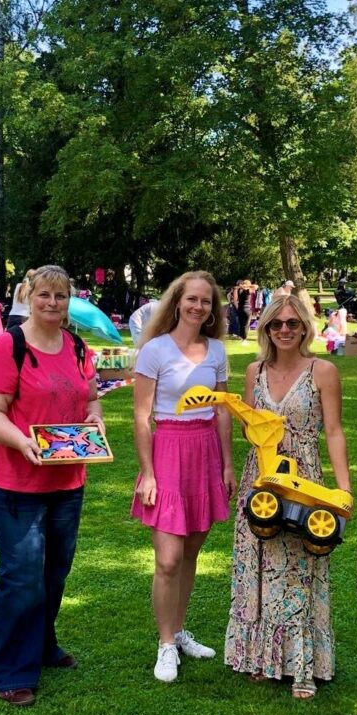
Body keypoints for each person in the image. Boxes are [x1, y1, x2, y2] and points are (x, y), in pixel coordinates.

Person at [0, 264, 101, 708]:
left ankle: (43, 645)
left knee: (54, 571)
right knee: (21, 576)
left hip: (67, 479)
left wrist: (95, 421)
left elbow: (89, 399)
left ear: (70, 302)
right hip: (15, 482)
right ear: (29, 296)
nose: (52, 303)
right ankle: (13, 671)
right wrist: (20, 440)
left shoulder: (78, 346)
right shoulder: (7, 347)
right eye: (44, 295)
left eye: (60, 296)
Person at [224, 294, 350, 699]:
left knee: (298, 567)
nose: (284, 331)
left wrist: (343, 488)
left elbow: (333, 431)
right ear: (265, 328)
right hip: (261, 478)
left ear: (305, 328)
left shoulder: (323, 371)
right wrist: (257, 427)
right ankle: (261, 657)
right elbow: (246, 425)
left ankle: (302, 665)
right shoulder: (253, 371)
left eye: (292, 324)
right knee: (256, 564)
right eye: (276, 324)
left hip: (303, 476)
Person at [132, 271, 234, 684]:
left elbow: (224, 409)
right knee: (168, 559)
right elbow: (141, 416)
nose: (198, 307)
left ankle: (177, 630)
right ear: (177, 301)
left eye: (206, 301)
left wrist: (227, 464)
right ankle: (165, 644)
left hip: (205, 452)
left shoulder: (217, 350)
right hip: (168, 452)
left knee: (190, 553)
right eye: (192, 299)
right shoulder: (154, 350)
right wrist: (147, 472)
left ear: (213, 309)